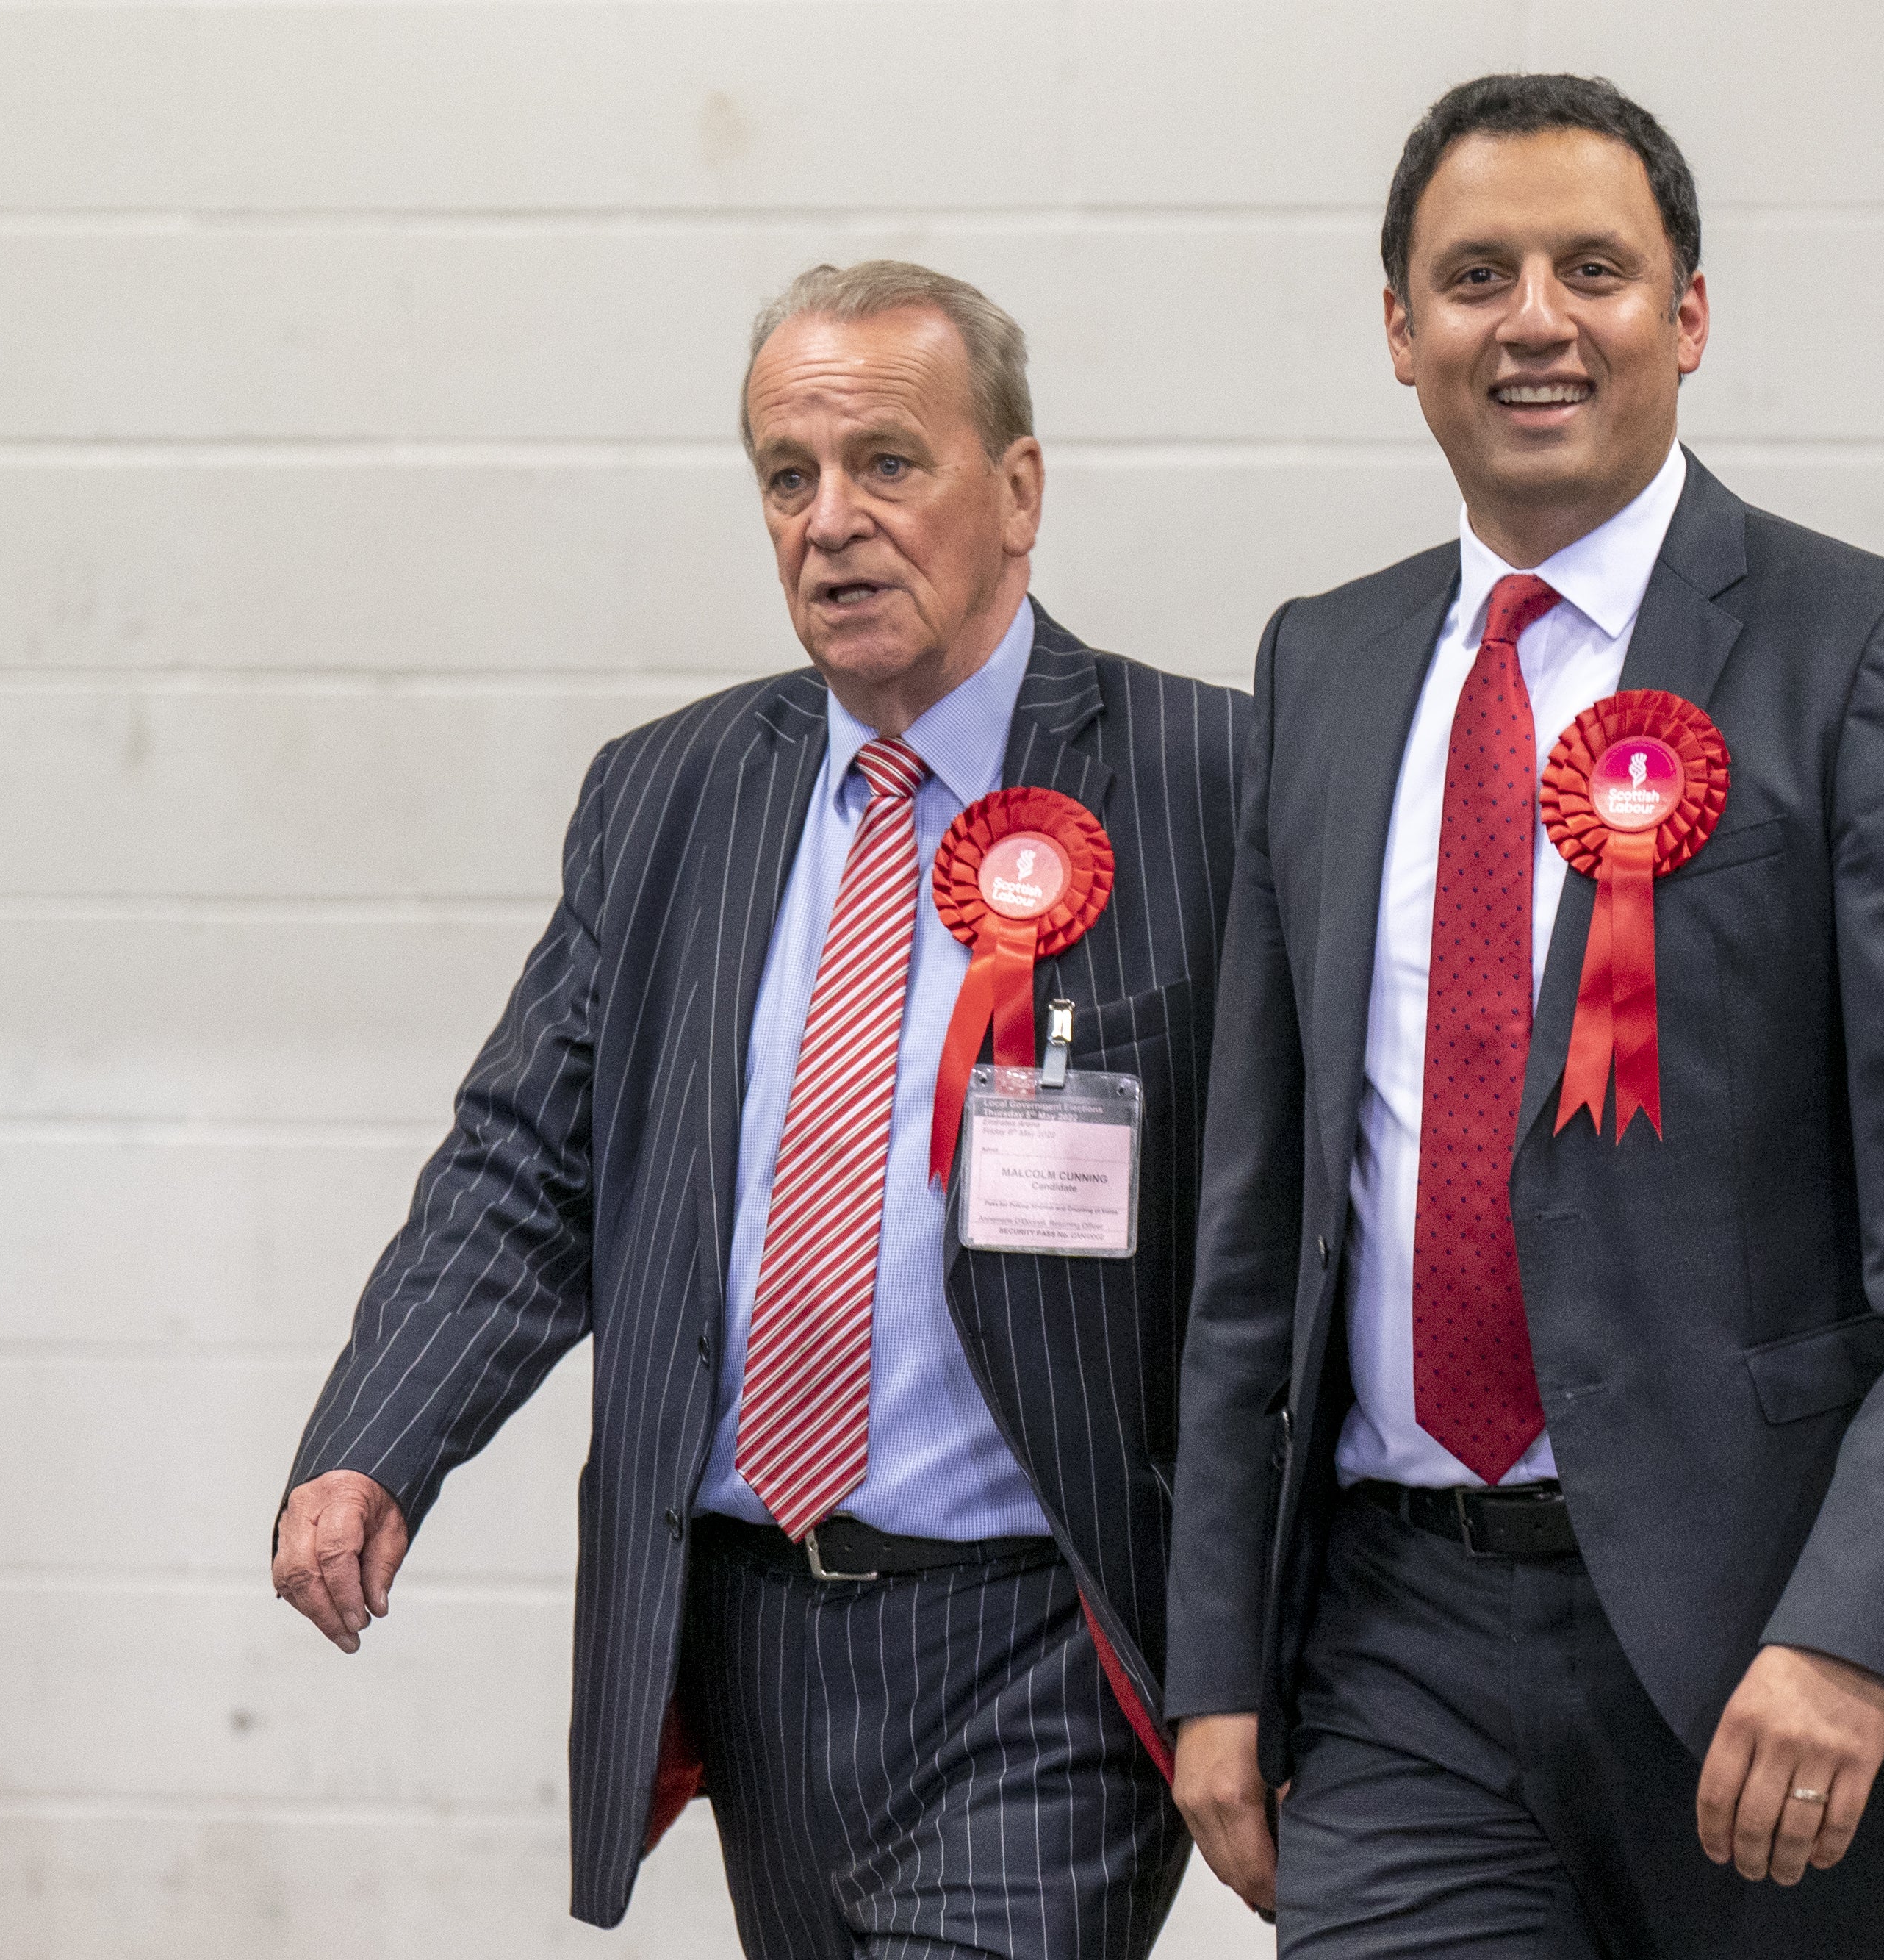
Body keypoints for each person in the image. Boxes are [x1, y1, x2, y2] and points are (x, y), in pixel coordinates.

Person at [1164, 75, 1884, 1956]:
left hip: (1760, 1647)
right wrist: (1214, 1660)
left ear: (1689, 314)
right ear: (1400, 328)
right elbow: (1261, 1214)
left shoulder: (1868, 653)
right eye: (1474, 273)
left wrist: (1852, 1625)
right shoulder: (1319, 666)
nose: (1534, 318)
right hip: (1393, 1640)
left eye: (1595, 267)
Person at [272, 259, 1244, 1959]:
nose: (831, 522)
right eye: (787, 477)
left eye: (887, 463)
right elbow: (526, 1164)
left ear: (1016, 490)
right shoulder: (667, 793)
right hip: (753, 1634)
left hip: (1049, 1635)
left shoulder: (1203, 776)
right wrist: (378, 1435)